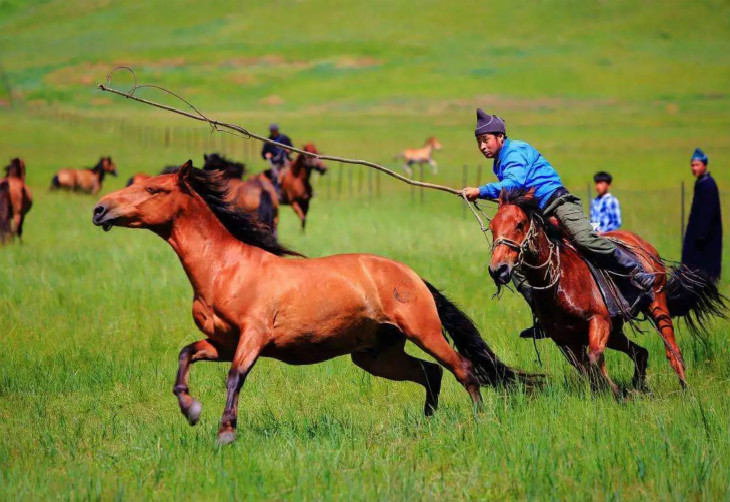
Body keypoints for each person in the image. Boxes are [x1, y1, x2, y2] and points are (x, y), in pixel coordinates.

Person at [462, 109, 655, 338]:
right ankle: (543, 316)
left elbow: (513, 184)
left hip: (557, 202)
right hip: (537, 213)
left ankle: (635, 271)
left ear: (500, 137)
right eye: (478, 143)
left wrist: (480, 191)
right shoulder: (499, 162)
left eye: (485, 140)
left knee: (584, 238)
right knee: (517, 264)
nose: (482, 147)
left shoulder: (514, 152)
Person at [682, 148, 722, 282]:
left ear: (704, 165)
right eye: (692, 165)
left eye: (697, 165)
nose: (694, 168)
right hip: (698, 234)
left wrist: (700, 235)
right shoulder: (700, 183)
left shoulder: (708, 185)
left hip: (706, 237)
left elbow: (708, 213)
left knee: (703, 269)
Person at [261, 124, 293, 190]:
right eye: (272, 130)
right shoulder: (268, 140)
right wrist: (267, 154)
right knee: (275, 176)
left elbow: (291, 147)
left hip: (285, 161)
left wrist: (288, 150)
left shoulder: (284, 138)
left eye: (274, 130)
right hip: (275, 163)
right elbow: (263, 153)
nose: (273, 131)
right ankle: (277, 191)